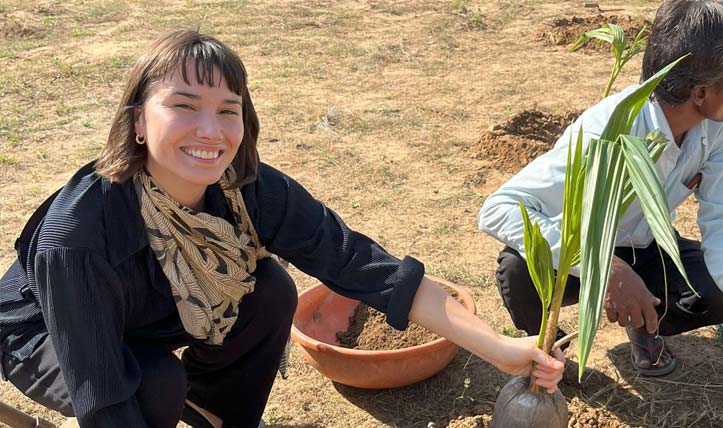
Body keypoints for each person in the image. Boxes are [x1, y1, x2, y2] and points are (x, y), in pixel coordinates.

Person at [0, 30, 564, 428]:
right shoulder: (78, 234)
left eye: (228, 109)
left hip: (148, 310)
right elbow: (101, 394)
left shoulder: (246, 187)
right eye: (185, 105)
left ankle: (221, 416)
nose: (210, 130)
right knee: (152, 387)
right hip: (50, 330)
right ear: (139, 123)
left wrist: (501, 349)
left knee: (270, 293)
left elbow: (365, 268)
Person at [479, 0, 723, 378]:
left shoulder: (715, 127)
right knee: (518, 270)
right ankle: (548, 352)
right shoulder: (606, 134)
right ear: (701, 93)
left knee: (715, 289)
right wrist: (603, 267)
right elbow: (498, 208)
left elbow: (720, 217)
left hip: (647, 247)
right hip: (577, 252)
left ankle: (646, 321)